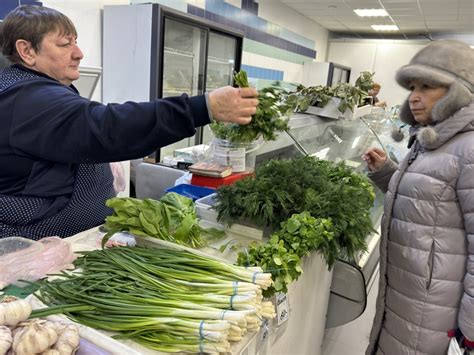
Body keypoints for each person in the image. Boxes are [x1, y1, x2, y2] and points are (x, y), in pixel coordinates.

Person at [0, 5, 258, 240]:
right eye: (65, 44)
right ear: (27, 51)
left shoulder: (35, 90)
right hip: (35, 254)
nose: (79, 53)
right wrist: (203, 108)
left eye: (76, 42)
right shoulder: (27, 99)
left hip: (74, 243)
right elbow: (107, 128)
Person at [362, 39, 474, 354]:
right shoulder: (431, 140)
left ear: (458, 92)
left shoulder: (469, 149)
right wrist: (386, 171)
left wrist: (470, 331)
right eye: (412, 87)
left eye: (427, 86)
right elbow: (427, 204)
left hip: (435, 312)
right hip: (408, 295)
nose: (414, 97)